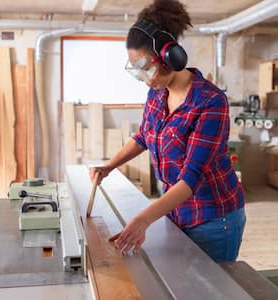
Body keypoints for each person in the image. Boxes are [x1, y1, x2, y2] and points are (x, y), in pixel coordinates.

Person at [90, 0, 246, 263]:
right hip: (176, 212)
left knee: (213, 289)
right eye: (137, 71)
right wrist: (109, 167)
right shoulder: (156, 93)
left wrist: (142, 220)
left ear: (171, 56)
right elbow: (143, 136)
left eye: (147, 67)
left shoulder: (210, 102)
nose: (146, 78)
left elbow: (190, 179)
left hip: (214, 218)